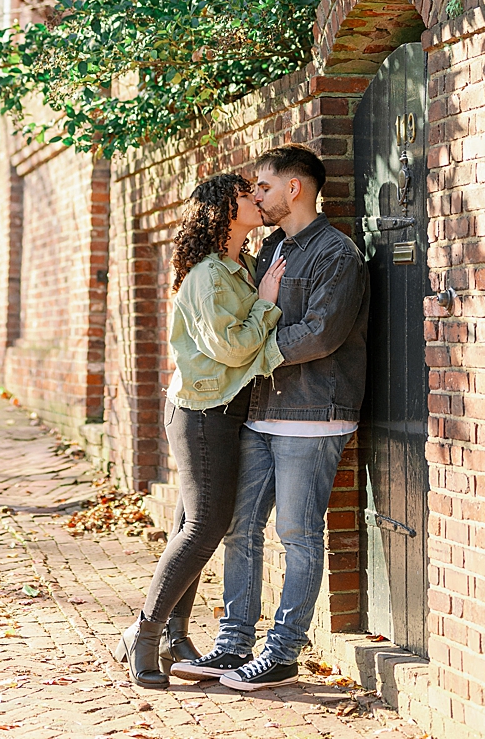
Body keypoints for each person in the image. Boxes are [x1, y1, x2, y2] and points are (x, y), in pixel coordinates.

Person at [171, 144, 369, 692]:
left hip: (313, 414)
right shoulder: (273, 248)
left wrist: (256, 352)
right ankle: (233, 646)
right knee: (240, 528)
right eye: (253, 190)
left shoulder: (337, 253)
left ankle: (282, 653)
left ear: (295, 188)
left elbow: (324, 333)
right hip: (262, 411)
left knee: (298, 533)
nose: (257, 195)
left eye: (263, 186)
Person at [114, 172, 284, 688]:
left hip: (229, 412)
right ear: (223, 211)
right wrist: (266, 302)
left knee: (193, 522)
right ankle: (142, 634)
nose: (257, 197)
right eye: (245, 194)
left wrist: (262, 289)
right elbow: (230, 348)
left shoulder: (243, 266)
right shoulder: (208, 275)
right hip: (201, 412)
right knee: (206, 523)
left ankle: (173, 635)